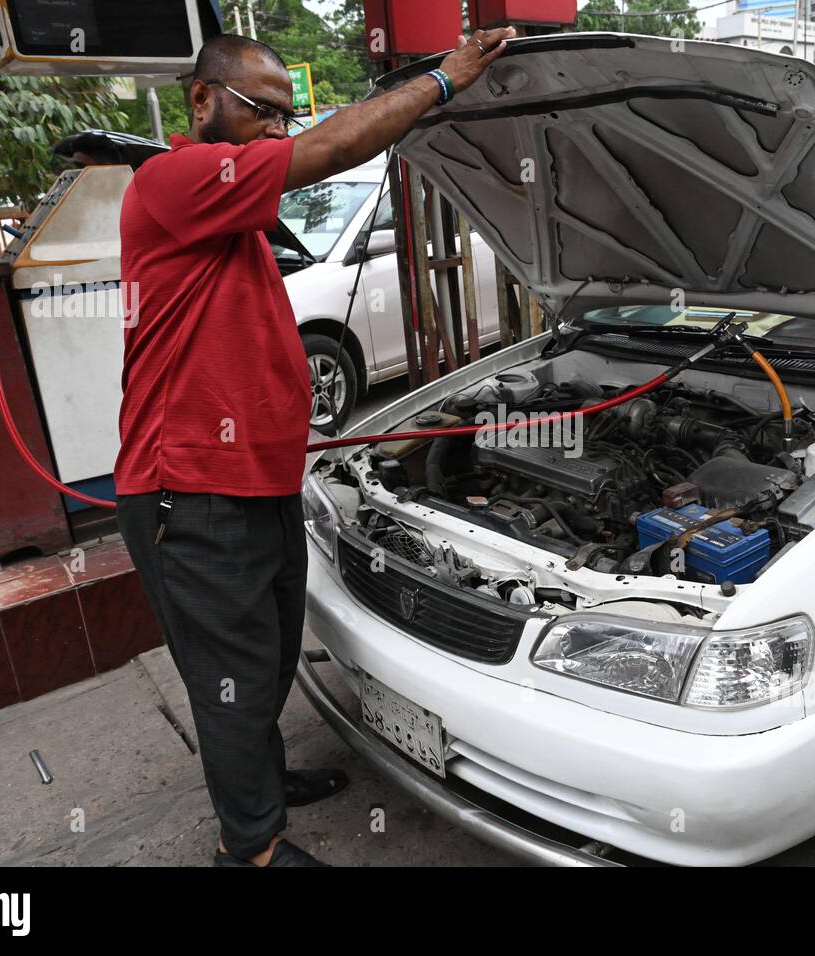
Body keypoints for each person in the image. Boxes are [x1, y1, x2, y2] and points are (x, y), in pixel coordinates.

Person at [114, 27, 515, 867]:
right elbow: (326, 152)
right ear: (203, 100)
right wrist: (443, 81)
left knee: (265, 654)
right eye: (263, 111)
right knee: (231, 676)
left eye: (286, 115)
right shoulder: (174, 177)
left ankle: (259, 782)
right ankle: (251, 849)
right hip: (189, 491)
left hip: (254, 482)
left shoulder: (230, 212)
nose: (278, 130)